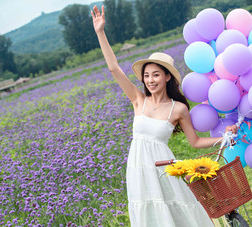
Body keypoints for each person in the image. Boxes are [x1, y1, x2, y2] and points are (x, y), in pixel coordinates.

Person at [91, 5, 238, 227]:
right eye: (147, 75)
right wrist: (101, 32)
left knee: (177, 210)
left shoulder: (177, 109)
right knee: (148, 213)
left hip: (163, 168)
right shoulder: (138, 100)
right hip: (138, 168)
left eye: (156, 75)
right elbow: (114, 68)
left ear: (167, 77)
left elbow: (195, 141)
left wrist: (224, 137)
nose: (150, 80)